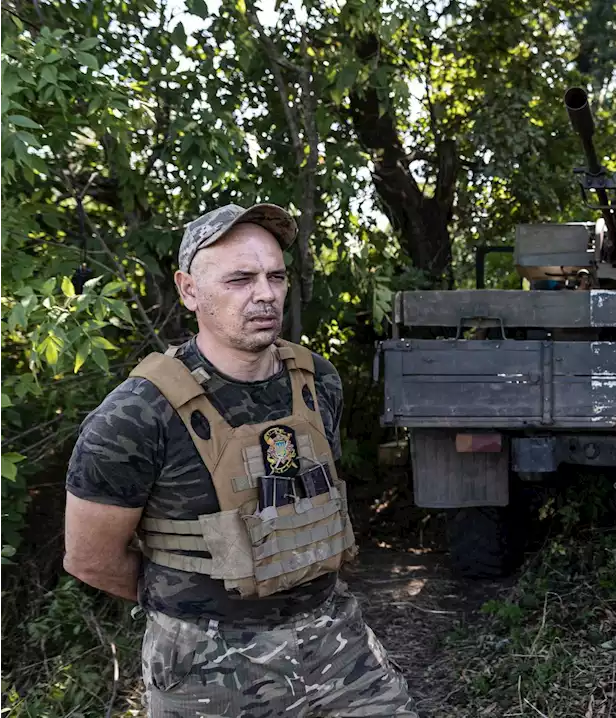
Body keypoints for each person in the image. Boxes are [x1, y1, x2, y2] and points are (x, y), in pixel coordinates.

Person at [62, 203, 417, 717]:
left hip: (334, 642)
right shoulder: (136, 415)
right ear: (189, 291)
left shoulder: (317, 380)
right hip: (208, 666)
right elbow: (90, 559)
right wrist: (193, 603)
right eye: (240, 279)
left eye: (276, 276)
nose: (265, 294)